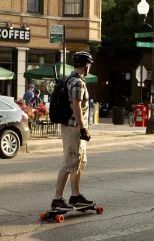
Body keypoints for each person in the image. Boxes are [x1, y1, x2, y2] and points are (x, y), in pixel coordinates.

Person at [51, 51, 94, 209]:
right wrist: (83, 128)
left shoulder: (69, 79)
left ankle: (75, 196)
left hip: (72, 128)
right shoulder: (78, 82)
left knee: (78, 162)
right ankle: (57, 200)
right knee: (69, 164)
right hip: (74, 128)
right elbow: (76, 105)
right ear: (87, 65)